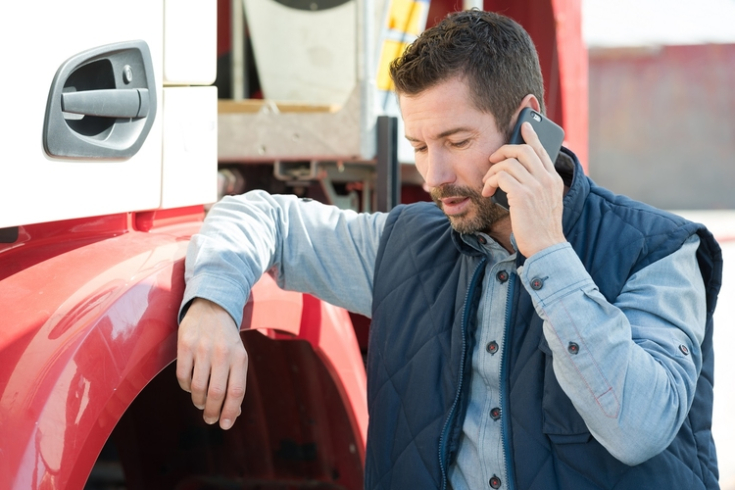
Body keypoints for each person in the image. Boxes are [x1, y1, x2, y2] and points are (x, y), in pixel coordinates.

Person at [176, 9, 723, 490]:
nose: (435, 176)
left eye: (457, 142)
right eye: (419, 146)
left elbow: (639, 428)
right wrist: (213, 302)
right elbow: (262, 214)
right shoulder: (403, 246)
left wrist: (549, 255)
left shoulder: (661, 253)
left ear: (527, 123)